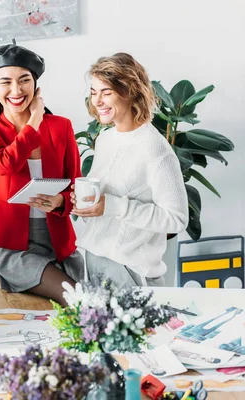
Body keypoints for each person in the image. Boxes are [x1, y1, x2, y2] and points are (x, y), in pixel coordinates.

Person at [0, 41, 84, 306]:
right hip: (12, 245)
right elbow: (4, 163)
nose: (16, 90)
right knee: (76, 297)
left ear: (35, 83)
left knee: (84, 298)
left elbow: (75, 185)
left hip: (58, 242)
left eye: (24, 80)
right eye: (6, 82)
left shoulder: (61, 126)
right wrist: (34, 121)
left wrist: (60, 202)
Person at [72, 52, 188, 287]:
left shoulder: (154, 148)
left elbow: (177, 219)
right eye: (94, 92)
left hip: (133, 273)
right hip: (96, 263)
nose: (97, 101)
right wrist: (87, 204)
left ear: (130, 91)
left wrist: (113, 205)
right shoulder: (105, 140)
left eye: (106, 92)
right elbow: (105, 205)